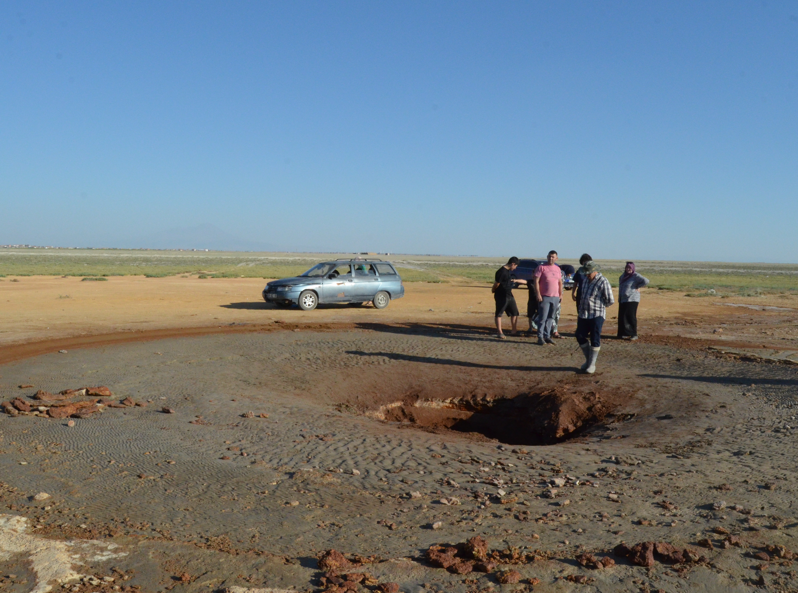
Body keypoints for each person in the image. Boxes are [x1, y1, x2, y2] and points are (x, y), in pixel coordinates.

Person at [575, 261, 614, 374]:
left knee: (594, 338)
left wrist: (599, 306)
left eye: (589, 272)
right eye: (586, 273)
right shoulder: (586, 280)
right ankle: (588, 360)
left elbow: (610, 300)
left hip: (596, 314)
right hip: (584, 314)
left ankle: (592, 364)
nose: (587, 275)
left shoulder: (603, 281)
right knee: (579, 335)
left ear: (595, 271)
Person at [533, 251, 563, 345]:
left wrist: (560, 294)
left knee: (551, 317)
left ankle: (547, 336)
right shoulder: (541, 268)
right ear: (547, 257)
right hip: (544, 297)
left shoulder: (557, 269)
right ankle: (540, 337)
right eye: (549, 256)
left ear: (556, 258)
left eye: (553, 257)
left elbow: (560, 282)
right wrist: (538, 294)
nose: (551, 258)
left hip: (555, 297)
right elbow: (536, 281)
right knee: (543, 317)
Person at [493, 257, 527, 339]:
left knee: (514, 312)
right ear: (512, 264)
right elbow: (497, 283)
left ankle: (514, 331)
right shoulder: (501, 272)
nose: (515, 268)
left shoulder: (508, 271)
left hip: (509, 294)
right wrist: (493, 290)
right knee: (499, 313)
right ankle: (499, 332)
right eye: (515, 266)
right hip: (501, 295)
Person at [617, 262, 649, 340]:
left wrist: (637, 286)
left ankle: (633, 334)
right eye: (627, 267)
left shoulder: (635, 276)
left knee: (630, 316)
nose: (628, 269)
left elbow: (646, 281)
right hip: (623, 299)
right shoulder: (622, 276)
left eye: (630, 268)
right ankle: (623, 333)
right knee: (622, 316)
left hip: (632, 299)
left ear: (633, 268)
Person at [551, 264, 575, 339]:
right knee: (555, 314)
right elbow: (560, 285)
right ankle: (554, 331)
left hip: (553, 296)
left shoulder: (558, 272)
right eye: (570, 273)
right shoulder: (561, 273)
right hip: (556, 296)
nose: (570, 275)